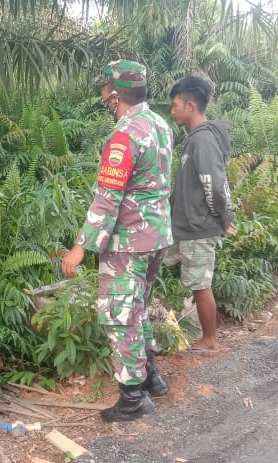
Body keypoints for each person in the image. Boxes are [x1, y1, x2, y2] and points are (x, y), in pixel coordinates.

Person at [61, 60, 173, 422]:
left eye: (103, 89)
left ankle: (132, 398)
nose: (101, 95)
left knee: (119, 316)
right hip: (157, 237)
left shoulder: (125, 135)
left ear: (114, 94)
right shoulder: (160, 124)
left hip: (128, 242)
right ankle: (151, 377)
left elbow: (107, 198)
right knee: (137, 306)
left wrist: (80, 248)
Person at [166, 75, 236, 352]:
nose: (172, 111)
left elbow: (215, 185)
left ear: (190, 105)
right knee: (192, 280)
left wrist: (225, 218)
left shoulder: (203, 140)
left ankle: (209, 341)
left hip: (198, 226)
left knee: (200, 284)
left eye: (175, 105)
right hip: (184, 225)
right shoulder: (195, 140)